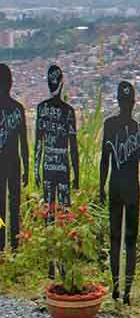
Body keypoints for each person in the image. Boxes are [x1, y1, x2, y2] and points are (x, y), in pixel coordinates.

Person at [100, 81, 140, 304]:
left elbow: (105, 160)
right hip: (130, 189)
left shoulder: (111, 125)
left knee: (119, 239)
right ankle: (122, 289)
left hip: (118, 187)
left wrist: (101, 187)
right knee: (127, 240)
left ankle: (121, 289)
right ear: (133, 102)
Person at [34, 65, 80, 216]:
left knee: (48, 207)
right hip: (62, 164)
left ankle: (50, 228)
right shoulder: (68, 111)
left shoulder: (42, 108)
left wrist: (36, 169)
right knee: (64, 208)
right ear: (62, 83)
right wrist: (76, 174)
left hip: (48, 163)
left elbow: (38, 143)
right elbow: (73, 146)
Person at [0, 64, 28, 254]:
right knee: (14, 205)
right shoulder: (18, 108)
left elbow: (24, 142)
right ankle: (15, 244)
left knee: (1, 207)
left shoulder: (19, 109)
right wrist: (26, 167)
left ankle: (1, 244)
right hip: (14, 163)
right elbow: (23, 142)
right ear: (11, 83)